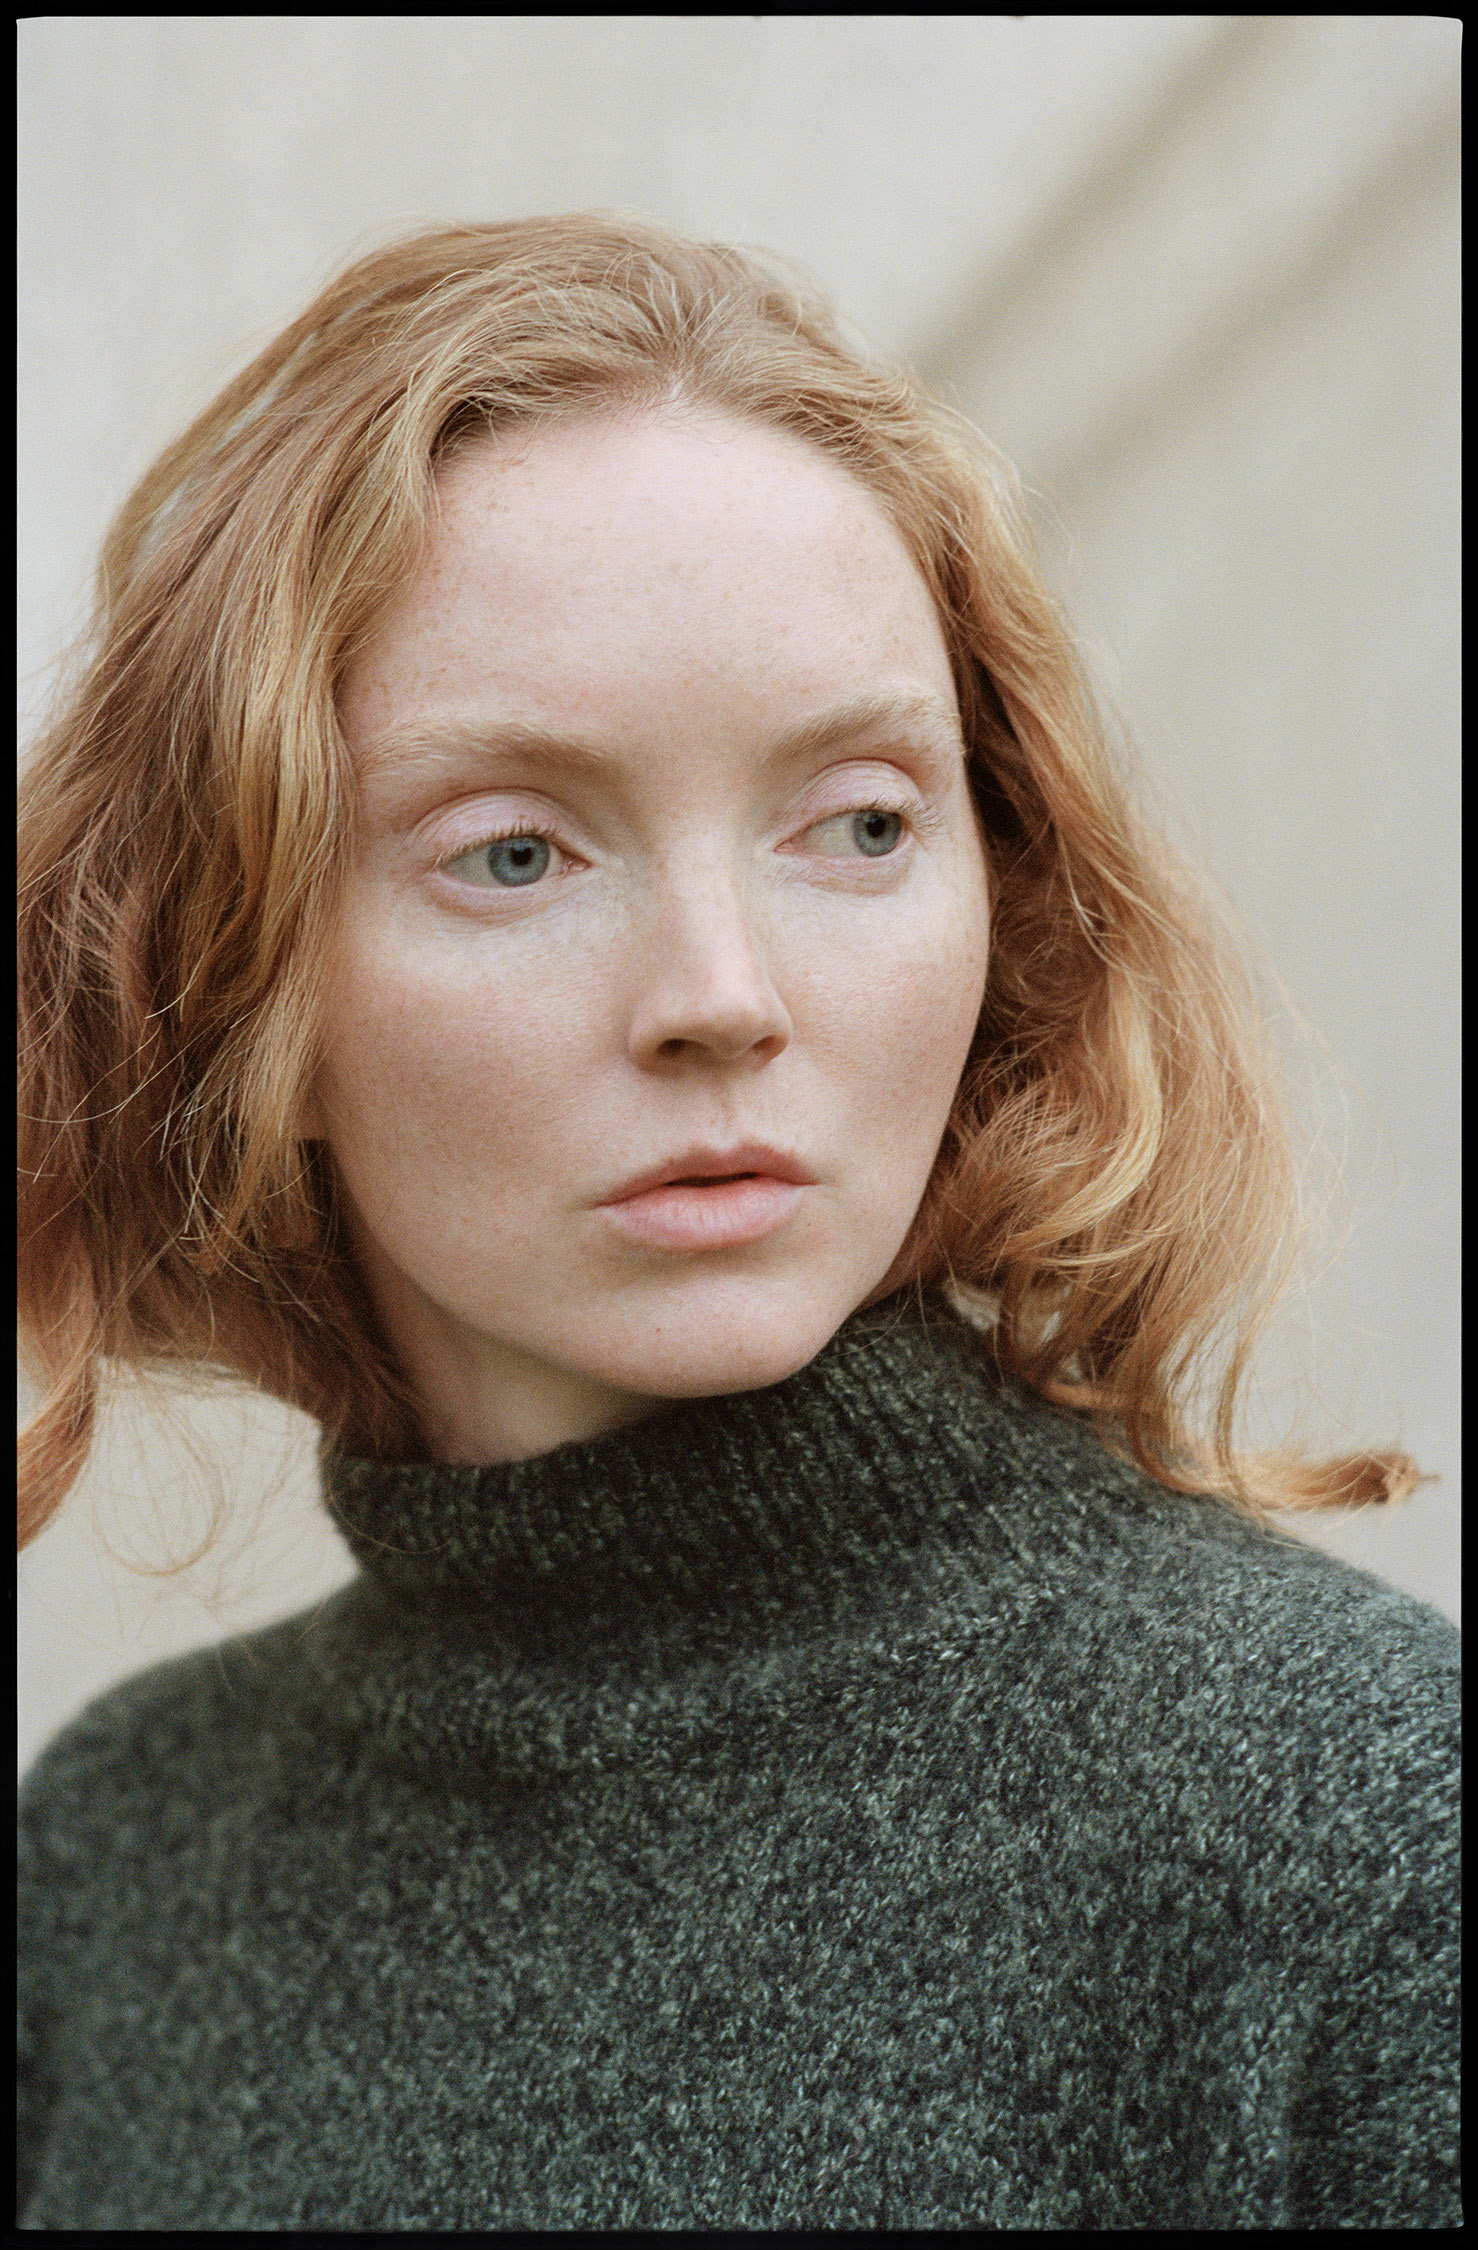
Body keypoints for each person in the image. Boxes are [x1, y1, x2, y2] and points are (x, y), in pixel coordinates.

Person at [16, 214, 1458, 2231]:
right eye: (515, 853)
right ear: (230, 974)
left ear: (1002, 880)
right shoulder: (119, 1859)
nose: (722, 992)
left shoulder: (1360, 1816)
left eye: (857, 823)